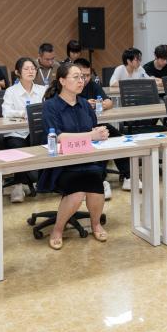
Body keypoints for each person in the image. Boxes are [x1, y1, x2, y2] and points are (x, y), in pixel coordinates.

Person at [39, 63, 110, 250]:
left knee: (95, 181)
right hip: (61, 163)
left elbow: (92, 129)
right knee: (77, 190)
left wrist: (100, 133)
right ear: (62, 81)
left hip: (86, 159)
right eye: (76, 77)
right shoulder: (50, 106)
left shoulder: (85, 104)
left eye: (82, 77)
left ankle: (95, 224)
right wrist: (91, 135)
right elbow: (58, 137)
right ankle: (57, 230)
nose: (81, 81)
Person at [76, 57, 131, 195]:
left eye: (88, 75)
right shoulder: (70, 88)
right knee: (99, 140)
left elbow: (109, 102)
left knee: (116, 137)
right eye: (82, 76)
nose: (85, 79)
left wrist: (99, 104)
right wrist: (85, 104)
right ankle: (100, 180)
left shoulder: (92, 85)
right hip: (77, 129)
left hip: (94, 124)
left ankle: (128, 176)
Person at [2, 57, 46, 203]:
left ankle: (45, 181)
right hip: (17, 132)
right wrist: (23, 113)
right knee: (16, 146)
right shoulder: (11, 91)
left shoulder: (42, 90)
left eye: (33, 68)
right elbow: (6, 112)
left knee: (51, 142)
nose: (30, 71)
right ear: (17, 72)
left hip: (38, 131)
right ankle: (18, 185)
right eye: (26, 69)